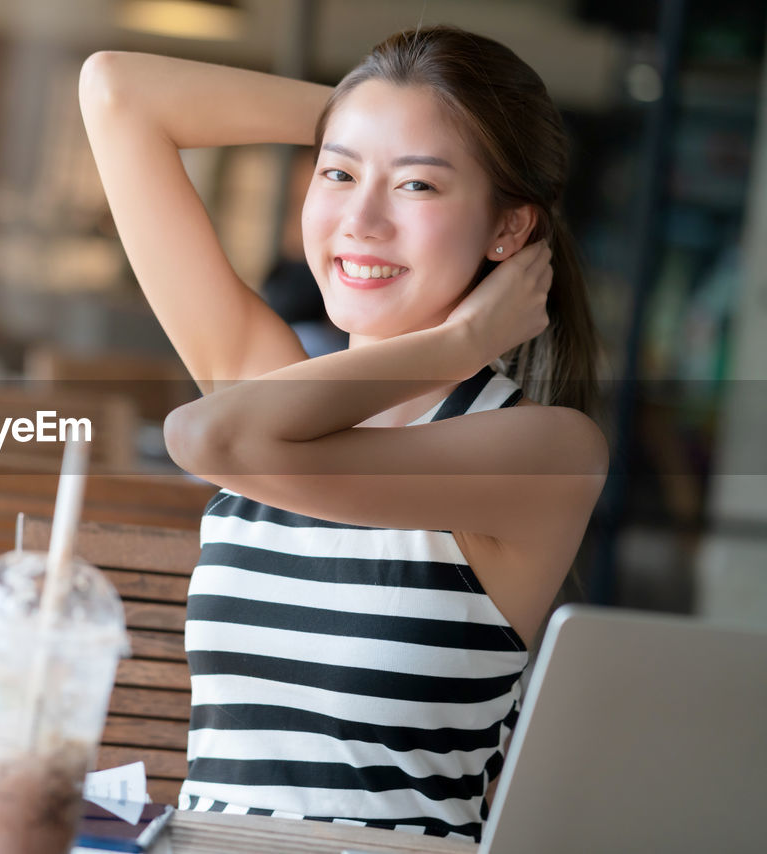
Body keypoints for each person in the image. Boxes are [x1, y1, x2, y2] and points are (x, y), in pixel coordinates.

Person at [78, 25, 609, 843]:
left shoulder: (544, 451)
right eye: (338, 172)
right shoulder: (271, 401)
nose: (360, 218)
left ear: (509, 231)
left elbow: (204, 440)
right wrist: (366, 115)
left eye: (418, 187)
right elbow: (116, 90)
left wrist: (459, 349)